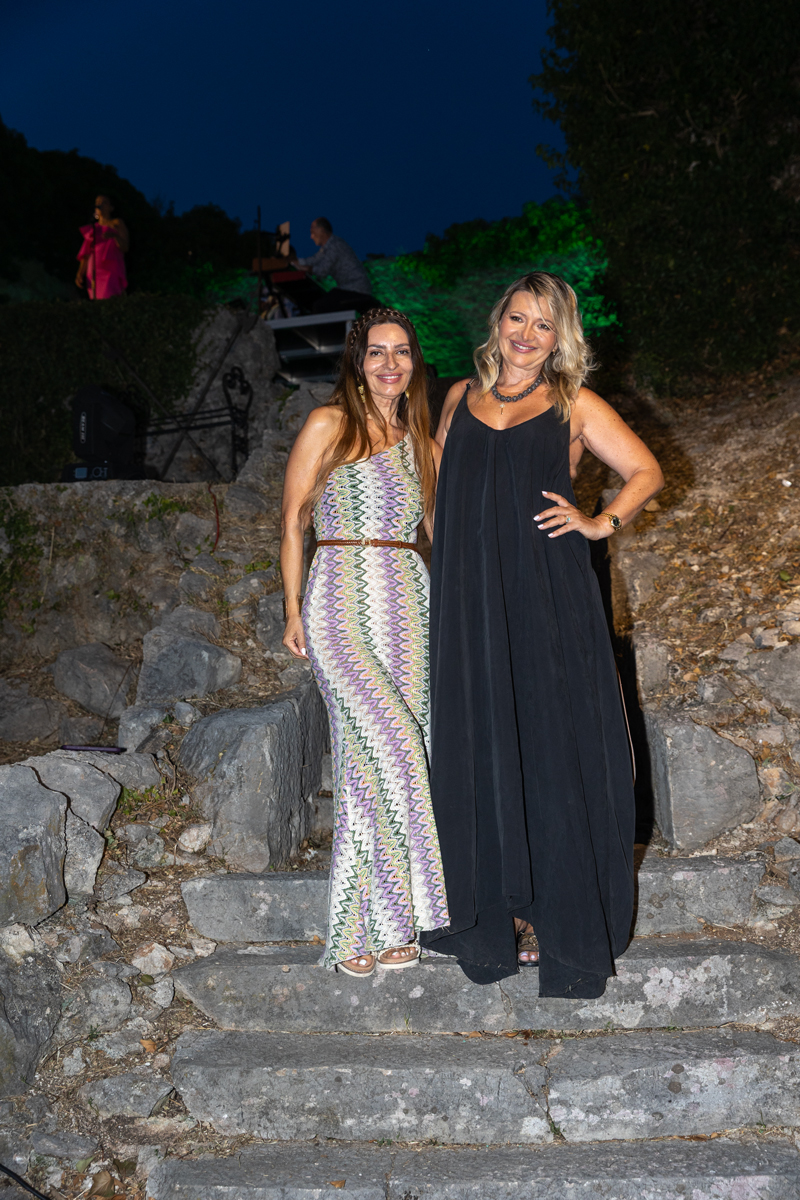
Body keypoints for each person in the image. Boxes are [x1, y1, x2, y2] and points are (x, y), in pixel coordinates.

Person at [419, 272, 664, 998]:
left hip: (548, 595)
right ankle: (492, 911)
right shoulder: (459, 398)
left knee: (551, 743)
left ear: (561, 338)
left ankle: (557, 916)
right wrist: (440, 557)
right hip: (469, 599)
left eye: (543, 325)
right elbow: (435, 484)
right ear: (498, 322)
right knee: (480, 742)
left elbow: (645, 470)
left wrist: (598, 523)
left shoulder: (574, 403)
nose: (526, 335)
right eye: (518, 319)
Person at [280, 307, 449, 976]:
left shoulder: (422, 443)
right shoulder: (328, 424)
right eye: (377, 351)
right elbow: (292, 521)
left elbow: (446, 533)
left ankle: (365, 930)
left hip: (408, 603)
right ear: (358, 360)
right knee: (395, 744)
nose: (390, 363)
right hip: (338, 596)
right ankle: (406, 911)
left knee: (366, 765)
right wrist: (292, 607)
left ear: (414, 363)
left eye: (401, 351)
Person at [291, 217, 378, 315]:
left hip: (356, 289)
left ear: (321, 230)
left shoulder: (335, 245)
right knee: (322, 303)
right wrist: (295, 262)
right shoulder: (327, 248)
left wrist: (304, 268)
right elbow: (313, 260)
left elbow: (322, 270)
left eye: (313, 232)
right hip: (349, 288)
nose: (311, 236)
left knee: (320, 306)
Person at [76, 195, 129, 299]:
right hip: (94, 270)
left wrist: (114, 236)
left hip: (111, 268)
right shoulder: (93, 228)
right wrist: (80, 273)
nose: (100, 204)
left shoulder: (117, 223)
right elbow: (86, 253)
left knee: (110, 297)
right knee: (97, 301)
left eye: (104, 202)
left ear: (111, 208)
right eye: (97, 202)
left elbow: (125, 247)